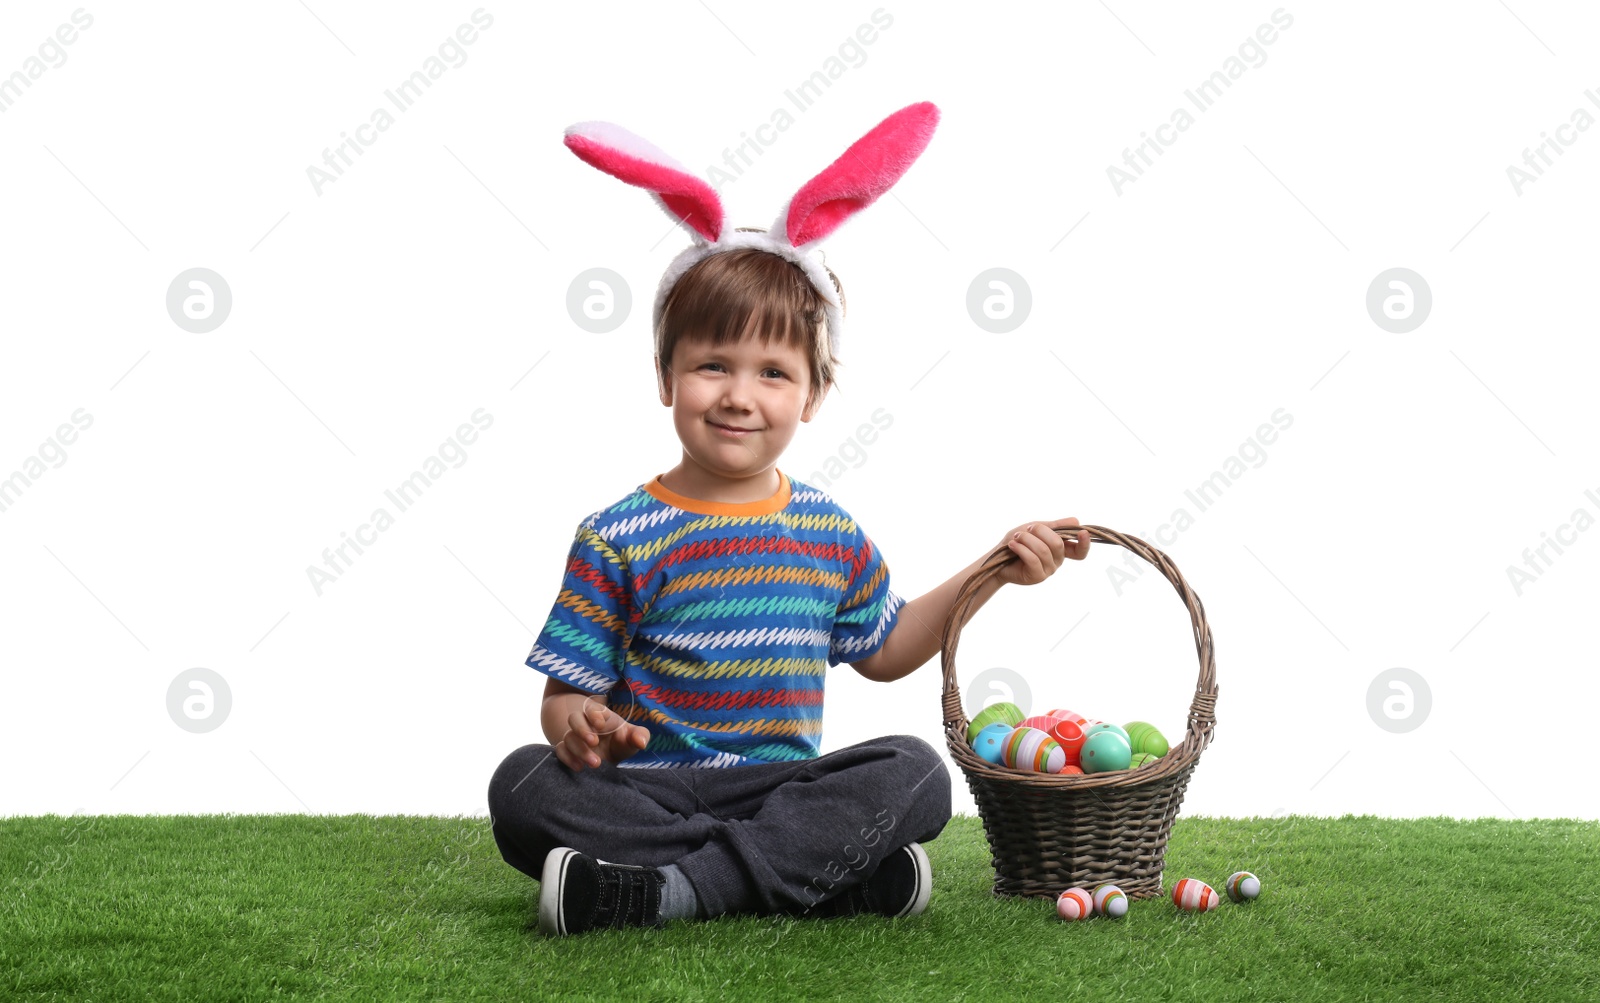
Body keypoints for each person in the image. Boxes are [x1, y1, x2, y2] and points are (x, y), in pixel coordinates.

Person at [486, 103, 1091, 935]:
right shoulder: (615, 535)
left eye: (773, 371)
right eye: (711, 364)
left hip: (778, 788)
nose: (739, 393)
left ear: (812, 394)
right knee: (522, 784)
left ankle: (667, 889)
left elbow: (884, 649)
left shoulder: (825, 531)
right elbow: (563, 700)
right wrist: (579, 727)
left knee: (917, 773)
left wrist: (993, 567)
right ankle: (812, 876)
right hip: (649, 787)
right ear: (666, 377)